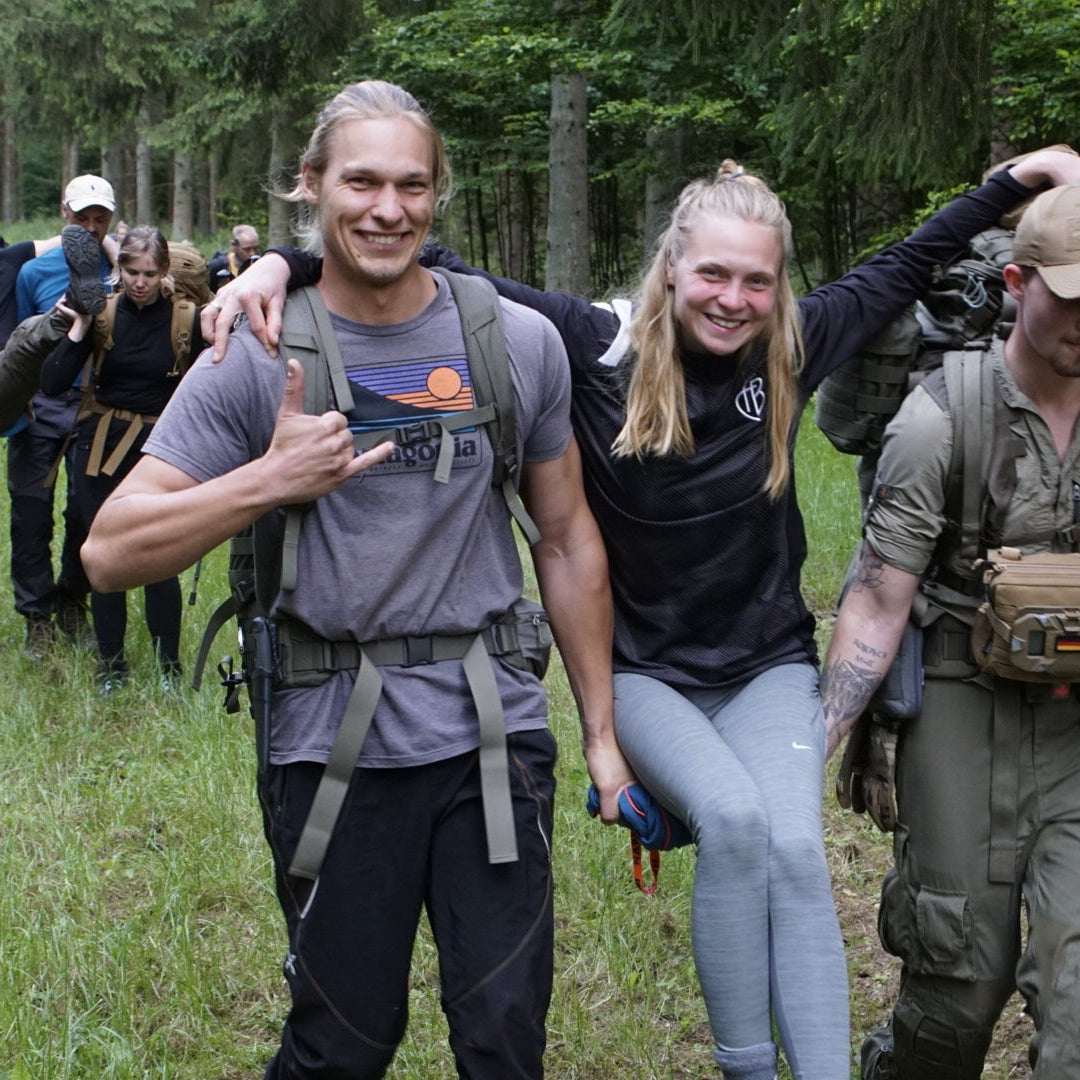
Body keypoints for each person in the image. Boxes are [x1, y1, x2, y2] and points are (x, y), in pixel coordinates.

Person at [210, 146, 1080, 1079]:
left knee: (795, 848)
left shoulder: (791, 345)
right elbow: (425, 263)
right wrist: (283, 261)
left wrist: (1013, 183)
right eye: (711, 273)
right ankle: (747, 1064)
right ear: (672, 264)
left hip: (767, 667)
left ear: (779, 285)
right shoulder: (594, 345)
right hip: (642, 673)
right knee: (738, 826)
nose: (732, 299)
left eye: (756, 280)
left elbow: (908, 259)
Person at [81, 80, 630, 1079]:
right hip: (332, 749)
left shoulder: (514, 342)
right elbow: (111, 551)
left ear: (438, 195)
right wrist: (269, 479)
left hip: (492, 740)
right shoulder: (253, 352)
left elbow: (566, 539)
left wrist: (601, 737)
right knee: (342, 1044)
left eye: (412, 185)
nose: (388, 208)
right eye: (362, 180)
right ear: (311, 186)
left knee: (505, 1039)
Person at [819, 181, 1080, 1079]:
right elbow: (879, 596)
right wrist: (818, 742)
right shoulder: (941, 417)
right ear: (1018, 282)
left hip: (1076, 722)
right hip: (959, 704)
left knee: (1078, 1006)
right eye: (1073, 295)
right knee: (957, 986)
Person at [40, 226, 205, 693]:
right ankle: (111, 667)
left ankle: (168, 669)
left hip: (160, 447)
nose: (140, 282)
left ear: (164, 271)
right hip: (100, 445)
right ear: (119, 269)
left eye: (150, 273)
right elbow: (52, 383)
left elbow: (214, 383)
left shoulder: (186, 319)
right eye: (131, 271)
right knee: (104, 557)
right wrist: (77, 328)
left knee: (160, 556)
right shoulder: (104, 313)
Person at [8, 174, 116, 658]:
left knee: (86, 514)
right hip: (40, 405)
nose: (91, 228)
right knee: (31, 513)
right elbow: (18, 346)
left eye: (100, 219)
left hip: (96, 404)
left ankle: (74, 600)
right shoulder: (33, 273)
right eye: (82, 219)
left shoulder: (121, 270)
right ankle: (37, 618)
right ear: (65, 216)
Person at [208, 223, 260, 293]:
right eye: (247, 249)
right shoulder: (217, 266)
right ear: (234, 245)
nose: (252, 253)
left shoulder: (260, 264)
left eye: (255, 248)